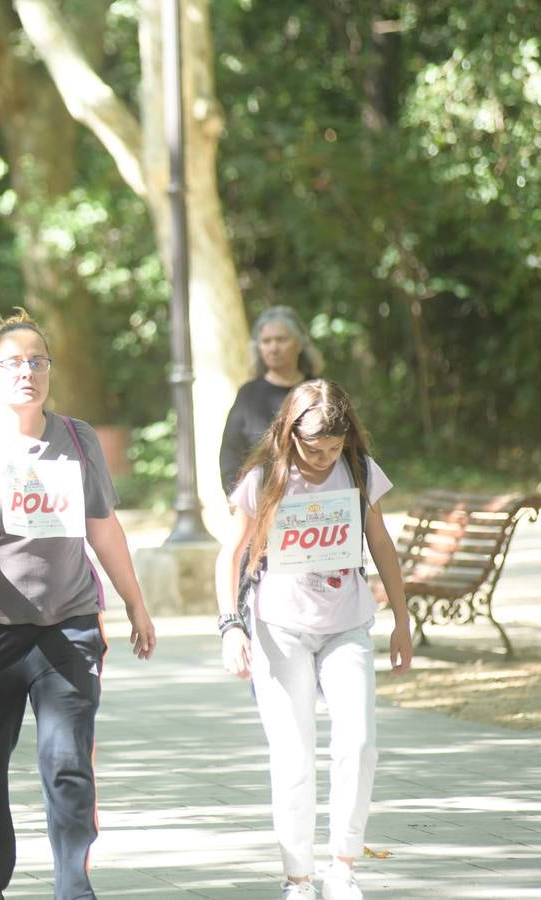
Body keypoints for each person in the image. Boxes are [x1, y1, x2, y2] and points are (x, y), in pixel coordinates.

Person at [0, 310, 156, 900]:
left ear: (49, 370)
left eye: (37, 361)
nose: (26, 372)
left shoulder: (78, 440)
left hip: (68, 628)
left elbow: (104, 529)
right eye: (12, 363)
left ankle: (73, 888)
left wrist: (136, 604)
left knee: (68, 765)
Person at [216, 379, 412, 900]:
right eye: (313, 447)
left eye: (333, 447)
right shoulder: (266, 479)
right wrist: (230, 625)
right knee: (293, 754)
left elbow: (382, 543)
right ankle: (297, 877)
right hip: (279, 629)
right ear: (289, 433)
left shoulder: (359, 472)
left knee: (360, 742)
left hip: (347, 623)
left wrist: (403, 620)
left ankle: (343, 865)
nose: (324, 458)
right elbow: (230, 555)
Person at [220, 306, 324, 495]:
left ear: (300, 344)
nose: (273, 348)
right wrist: (236, 498)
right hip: (263, 502)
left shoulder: (320, 391)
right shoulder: (248, 394)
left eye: (281, 339)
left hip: (317, 503)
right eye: (266, 341)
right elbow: (230, 453)